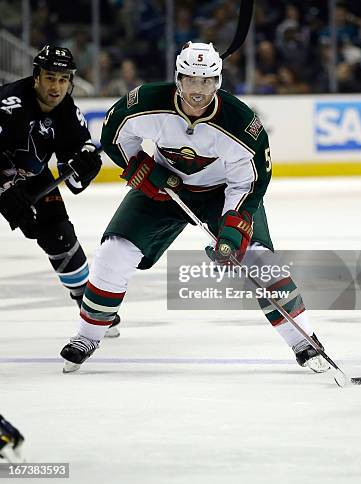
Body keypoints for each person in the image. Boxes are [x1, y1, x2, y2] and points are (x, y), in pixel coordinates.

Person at [60, 41, 329, 372]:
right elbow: (115, 134)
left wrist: (233, 225)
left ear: (218, 82)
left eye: (206, 82)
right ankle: (86, 336)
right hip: (163, 189)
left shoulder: (241, 124)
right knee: (115, 252)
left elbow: (249, 183)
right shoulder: (147, 102)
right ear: (178, 79)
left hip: (221, 194)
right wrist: (141, 167)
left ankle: (303, 340)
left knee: (258, 259)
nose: (198, 91)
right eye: (190, 80)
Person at [0, 45, 119, 336]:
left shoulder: (68, 115)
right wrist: (4, 191)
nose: (56, 86)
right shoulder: (8, 104)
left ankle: (89, 305)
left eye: (63, 79)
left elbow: (75, 183)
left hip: (32, 177)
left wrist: (85, 168)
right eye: (50, 77)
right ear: (36, 77)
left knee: (59, 235)